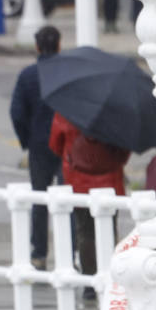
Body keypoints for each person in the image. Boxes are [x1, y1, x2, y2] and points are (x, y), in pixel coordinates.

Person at [48, 113, 129, 296]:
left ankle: (90, 282)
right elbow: (124, 149)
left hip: (79, 182)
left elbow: (55, 145)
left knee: (84, 232)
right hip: (110, 182)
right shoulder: (115, 113)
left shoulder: (66, 111)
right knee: (109, 230)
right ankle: (110, 277)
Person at [9, 25, 63, 269]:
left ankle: (39, 253)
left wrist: (26, 140)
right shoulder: (69, 73)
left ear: (37, 47)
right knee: (67, 200)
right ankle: (69, 249)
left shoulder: (28, 75)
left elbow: (17, 113)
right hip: (66, 146)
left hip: (39, 146)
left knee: (39, 200)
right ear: (60, 45)